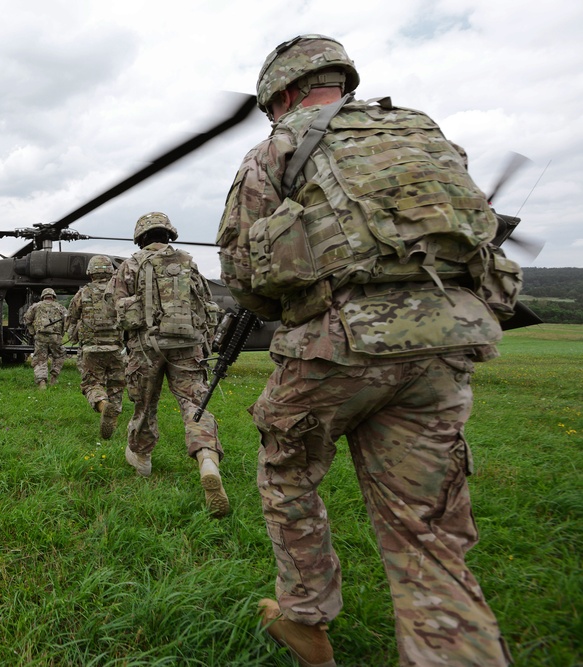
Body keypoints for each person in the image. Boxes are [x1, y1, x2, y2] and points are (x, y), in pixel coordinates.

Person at [216, 34, 518, 666]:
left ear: (287, 92)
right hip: (445, 343)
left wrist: (292, 312)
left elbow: (243, 275)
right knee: (427, 527)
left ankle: (304, 614)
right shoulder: (425, 136)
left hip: (337, 347)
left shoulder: (279, 147)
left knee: (289, 471)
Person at [108, 212, 228, 518]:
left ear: (140, 237)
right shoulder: (188, 262)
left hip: (146, 347)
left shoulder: (131, 265)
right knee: (194, 401)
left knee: (145, 405)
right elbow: (205, 302)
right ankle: (207, 459)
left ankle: (142, 458)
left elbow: (115, 310)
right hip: (187, 345)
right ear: (168, 234)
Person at [67, 255, 126, 439]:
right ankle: (112, 419)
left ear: (91, 272)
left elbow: (71, 319)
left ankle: (102, 404)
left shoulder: (83, 293)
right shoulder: (119, 292)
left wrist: (74, 334)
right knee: (116, 385)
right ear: (110, 272)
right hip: (117, 349)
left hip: (92, 349)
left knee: (92, 383)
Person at [23, 287, 68, 389]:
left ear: (43, 296)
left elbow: (27, 319)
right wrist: (62, 333)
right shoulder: (60, 307)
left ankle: (41, 382)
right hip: (55, 337)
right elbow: (67, 321)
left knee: (40, 359)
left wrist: (32, 332)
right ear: (53, 297)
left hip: (40, 336)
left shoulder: (35, 306)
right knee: (59, 355)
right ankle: (54, 377)